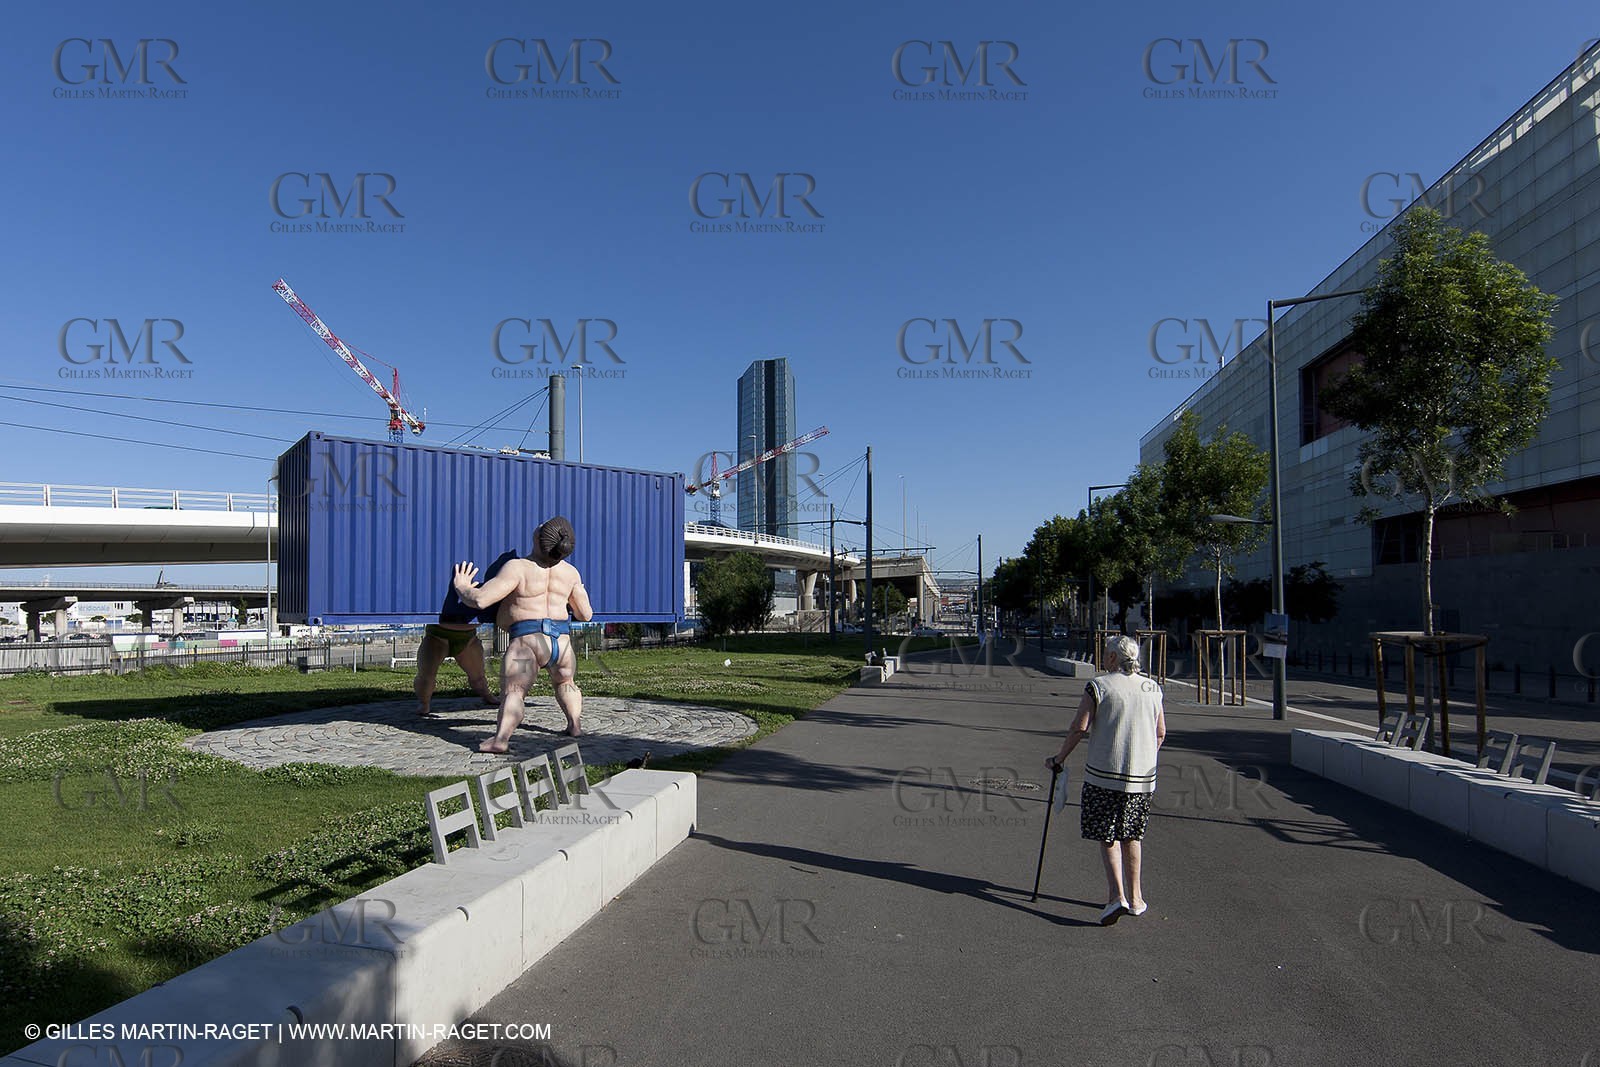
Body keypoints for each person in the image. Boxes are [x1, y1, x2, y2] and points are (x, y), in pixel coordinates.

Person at [1046, 634, 1165, 926]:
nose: (1103, 657)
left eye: (1106, 653)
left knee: (1107, 836)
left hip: (1104, 776)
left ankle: (1116, 897)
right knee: (1132, 836)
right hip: (1142, 779)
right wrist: (1144, 755)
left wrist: (1059, 759)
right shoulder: (1153, 687)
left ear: (1113, 658)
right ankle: (1136, 899)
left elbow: (1079, 728)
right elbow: (1160, 732)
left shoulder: (1099, 686)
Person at [452, 516, 593, 751]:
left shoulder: (518, 567)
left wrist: (462, 586)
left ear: (538, 539)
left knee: (514, 691)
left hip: (527, 642)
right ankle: (575, 724)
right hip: (562, 644)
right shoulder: (571, 574)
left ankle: (500, 740)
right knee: (566, 681)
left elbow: (481, 599)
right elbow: (585, 614)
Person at [414, 612, 496, 717]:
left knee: (478, 678)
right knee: (425, 678)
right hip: (437, 636)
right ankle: (424, 703)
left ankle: (487, 695)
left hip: (468, 637)